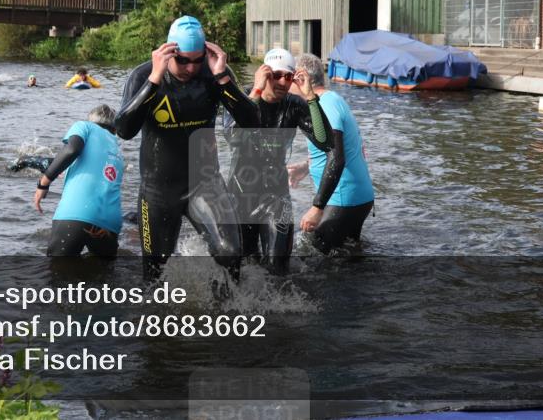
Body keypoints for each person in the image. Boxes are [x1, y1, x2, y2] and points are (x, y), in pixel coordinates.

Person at [115, 15, 259, 280]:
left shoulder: (214, 72)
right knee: (154, 274)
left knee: (230, 253)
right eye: (182, 60)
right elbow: (123, 129)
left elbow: (252, 120)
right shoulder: (143, 75)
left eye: (197, 59)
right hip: (158, 190)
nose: (191, 67)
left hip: (205, 183)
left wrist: (223, 79)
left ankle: (230, 314)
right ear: (168, 51)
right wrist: (155, 80)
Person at [223, 48, 338, 274]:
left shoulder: (294, 105)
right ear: (264, 74)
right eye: (276, 75)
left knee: (278, 267)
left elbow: (325, 142)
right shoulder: (243, 97)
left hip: (276, 196)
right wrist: (255, 92)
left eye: (288, 76)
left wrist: (311, 98)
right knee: (241, 265)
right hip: (240, 196)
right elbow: (233, 137)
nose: (283, 82)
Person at [287, 53, 375, 253]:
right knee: (346, 257)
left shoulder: (325, 105)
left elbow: (337, 156)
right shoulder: (328, 100)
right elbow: (332, 148)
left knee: (318, 257)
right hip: (352, 196)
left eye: (288, 78)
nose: (286, 86)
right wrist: (305, 167)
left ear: (301, 79)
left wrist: (317, 208)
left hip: (343, 197)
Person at [33, 105, 125, 257]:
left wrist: (44, 182)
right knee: (103, 276)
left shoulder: (84, 126)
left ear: (91, 119)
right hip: (110, 221)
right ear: (114, 128)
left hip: (77, 213)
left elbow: (71, 150)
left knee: (58, 275)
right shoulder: (116, 146)